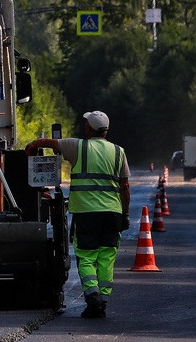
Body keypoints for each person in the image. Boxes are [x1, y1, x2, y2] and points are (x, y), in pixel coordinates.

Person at [26, 110, 130, 319]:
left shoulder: (78, 146)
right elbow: (125, 187)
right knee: (106, 257)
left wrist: (33, 145)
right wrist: (125, 214)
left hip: (86, 213)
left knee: (87, 256)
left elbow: (49, 143)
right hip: (113, 213)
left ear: (89, 128)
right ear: (106, 131)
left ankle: (93, 297)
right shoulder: (119, 152)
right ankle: (103, 301)